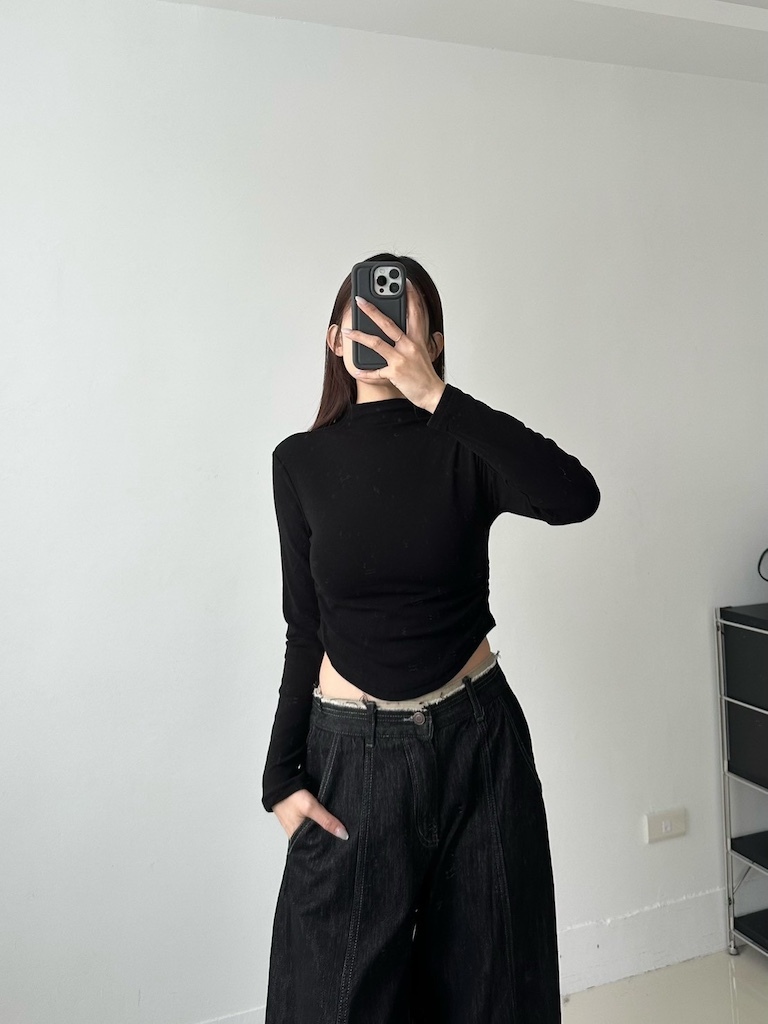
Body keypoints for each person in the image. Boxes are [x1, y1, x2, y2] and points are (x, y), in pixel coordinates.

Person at [262, 254, 600, 1023]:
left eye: (399, 312)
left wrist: (440, 400)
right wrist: (280, 777)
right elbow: (303, 626)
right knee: (332, 1002)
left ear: (434, 342)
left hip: (479, 745)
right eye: (363, 311)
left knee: (497, 996)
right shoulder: (299, 463)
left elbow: (573, 495)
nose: (379, 324)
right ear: (335, 337)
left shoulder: (463, 445)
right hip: (353, 757)